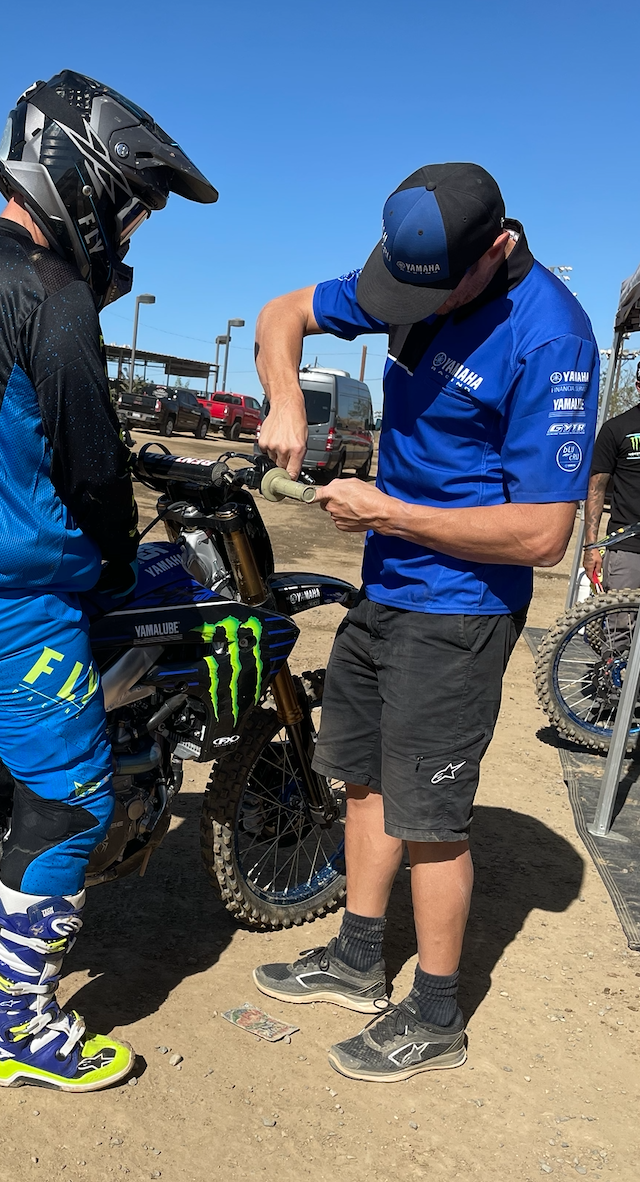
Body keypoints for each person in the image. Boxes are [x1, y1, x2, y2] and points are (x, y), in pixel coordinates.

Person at [0, 70, 216, 1092]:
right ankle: (15, 1027)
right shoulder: (51, 297)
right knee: (69, 802)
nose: (134, 231)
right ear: (89, 180)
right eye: (136, 209)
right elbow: (92, 469)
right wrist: (109, 560)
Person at [252, 163, 598, 1082]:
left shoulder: (551, 338)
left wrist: (389, 513)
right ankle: (360, 956)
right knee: (362, 781)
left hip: (460, 612)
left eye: (440, 287)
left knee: (433, 815)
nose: (417, 304)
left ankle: (437, 1015)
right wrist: (286, 396)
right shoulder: (407, 275)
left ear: (498, 247)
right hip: (386, 588)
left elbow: (543, 533)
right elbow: (280, 313)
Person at [583, 383, 640, 590]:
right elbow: (595, 489)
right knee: (622, 621)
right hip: (628, 548)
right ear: (638, 387)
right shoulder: (616, 428)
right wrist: (591, 547)